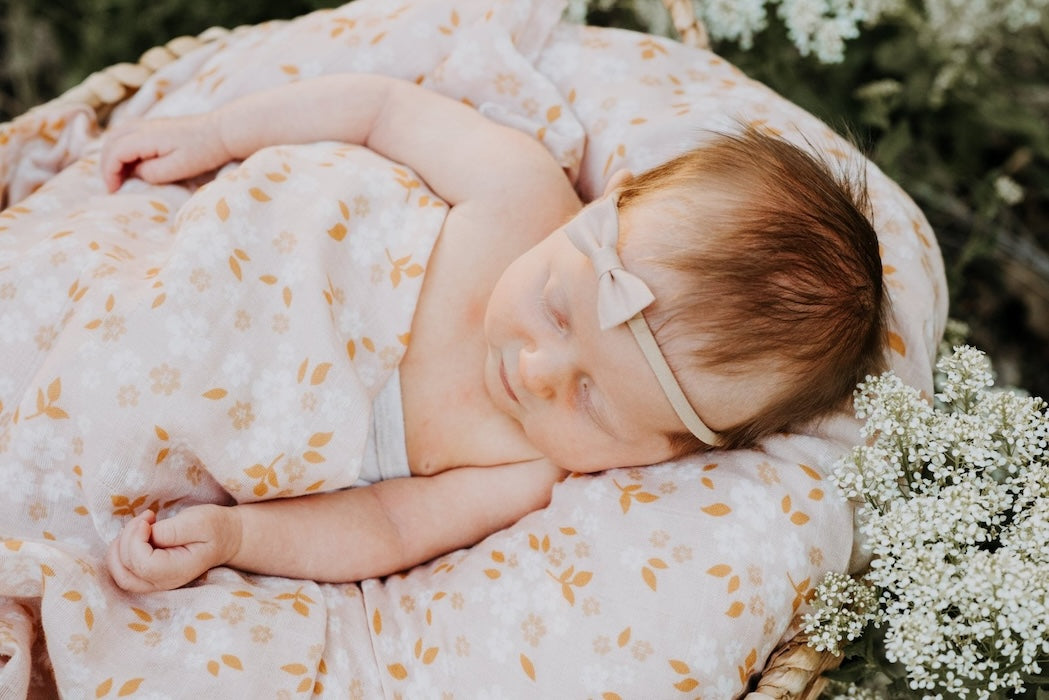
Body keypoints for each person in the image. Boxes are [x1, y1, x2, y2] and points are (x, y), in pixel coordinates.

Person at [100, 73, 888, 593]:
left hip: (164, 406)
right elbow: (382, 110)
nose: (539, 370)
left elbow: (384, 527)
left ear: (667, 452)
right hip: (206, 255)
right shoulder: (522, 195)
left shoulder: (524, 471)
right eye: (555, 307)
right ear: (596, 209)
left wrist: (236, 535)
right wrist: (218, 132)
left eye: (592, 400)